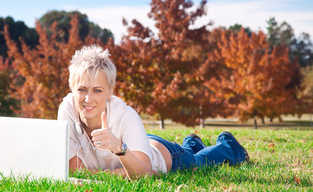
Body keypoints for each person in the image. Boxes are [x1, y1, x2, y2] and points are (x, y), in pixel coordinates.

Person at [57, 45, 249, 179]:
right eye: (81, 89)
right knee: (191, 150)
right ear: (72, 89)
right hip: (140, 144)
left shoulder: (126, 114)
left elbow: (144, 175)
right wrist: (120, 174)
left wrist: (118, 147)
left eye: (97, 90)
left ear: (109, 92)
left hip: (164, 155)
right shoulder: (67, 109)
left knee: (199, 163)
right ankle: (192, 142)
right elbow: (75, 171)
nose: (88, 99)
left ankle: (228, 146)